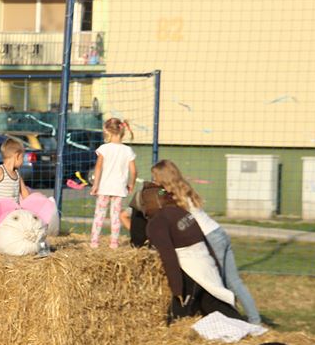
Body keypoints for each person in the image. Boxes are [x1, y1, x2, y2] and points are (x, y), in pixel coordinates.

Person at [151, 159, 261, 324]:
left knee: (216, 285)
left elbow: (158, 197)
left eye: (155, 177)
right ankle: (255, 320)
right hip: (218, 232)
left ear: (163, 178)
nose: (153, 181)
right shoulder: (184, 187)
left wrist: (154, 189)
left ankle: (232, 321)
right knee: (234, 282)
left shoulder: (172, 196)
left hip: (209, 238)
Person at [142, 185, 242, 321]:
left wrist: (177, 289)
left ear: (149, 204)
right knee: (213, 305)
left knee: (177, 318)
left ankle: (246, 329)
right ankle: (245, 328)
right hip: (206, 263)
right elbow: (204, 241)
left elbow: (168, 256)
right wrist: (216, 267)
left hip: (191, 271)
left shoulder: (157, 222)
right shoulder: (181, 212)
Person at [90, 118, 136, 249]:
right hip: (119, 188)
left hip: (104, 188)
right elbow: (134, 171)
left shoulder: (104, 149)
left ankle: (94, 242)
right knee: (115, 216)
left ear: (107, 132)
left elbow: (98, 167)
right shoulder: (128, 150)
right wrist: (131, 184)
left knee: (99, 214)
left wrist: (95, 185)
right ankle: (114, 243)